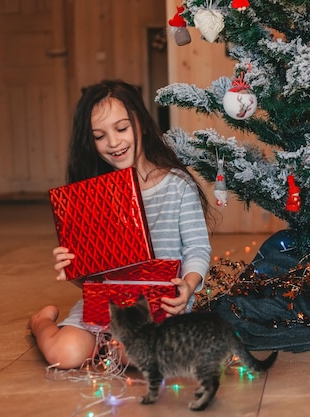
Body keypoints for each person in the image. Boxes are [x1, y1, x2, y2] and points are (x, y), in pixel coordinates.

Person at [28, 80, 212, 369]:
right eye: (99, 136)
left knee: (143, 354)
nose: (113, 143)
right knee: (65, 354)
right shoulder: (91, 193)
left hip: (158, 306)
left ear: (143, 125)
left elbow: (197, 248)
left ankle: (108, 347)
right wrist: (74, 268)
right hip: (107, 305)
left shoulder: (177, 185)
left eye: (122, 129)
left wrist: (187, 287)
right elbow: (90, 281)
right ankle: (42, 322)